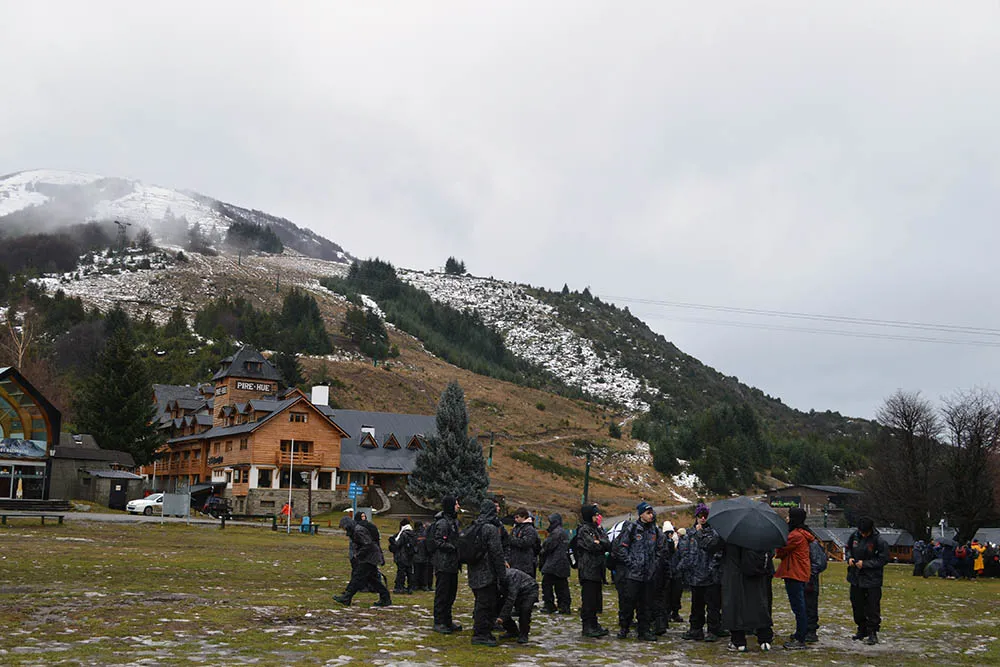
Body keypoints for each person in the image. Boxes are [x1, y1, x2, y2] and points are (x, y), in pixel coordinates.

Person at [611, 501, 665, 641]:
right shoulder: (632, 528)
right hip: (633, 574)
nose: (651, 515)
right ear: (641, 514)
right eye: (648, 513)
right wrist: (631, 563)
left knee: (646, 604)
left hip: (648, 575)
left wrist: (655, 564)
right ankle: (624, 628)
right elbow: (621, 548)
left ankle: (644, 630)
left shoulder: (655, 531)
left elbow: (661, 549)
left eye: (652, 513)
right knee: (628, 602)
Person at [721, 540, 775, 653]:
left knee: (736, 608)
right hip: (757, 577)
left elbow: (711, 547)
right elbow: (771, 553)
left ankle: (738, 642)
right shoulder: (761, 535)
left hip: (735, 577)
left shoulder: (731, 536)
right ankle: (765, 640)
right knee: (760, 606)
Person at [680, 503, 724, 642]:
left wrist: (712, 570)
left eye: (705, 516)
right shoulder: (689, 533)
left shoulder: (714, 532)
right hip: (695, 576)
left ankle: (713, 630)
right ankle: (695, 629)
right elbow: (685, 553)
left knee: (713, 606)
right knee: (696, 606)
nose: (703, 519)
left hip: (711, 577)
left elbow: (717, 552)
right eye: (700, 516)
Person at [468, 497, 508, 647]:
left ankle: (482, 631)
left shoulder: (475, 525)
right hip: (487, 573)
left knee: (481, 604)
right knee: (486, 605)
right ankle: (481, 634)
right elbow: (497, 554)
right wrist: (502, 575)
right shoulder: (490, 528)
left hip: (474, 571)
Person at [846, 516, 889, 645]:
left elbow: (883, 559)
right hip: (855, 577)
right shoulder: (854, 536)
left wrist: (865, 564)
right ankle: (861, 628)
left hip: (872, 579)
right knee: (857, 605)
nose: (863, 534)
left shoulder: (879, 541)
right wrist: (849, 558)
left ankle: (873, 632)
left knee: (872, 607)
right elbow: (848, 549)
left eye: (865, 532)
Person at [775, 507, 814, 650]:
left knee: (798, 606)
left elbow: (780, 550)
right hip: (799, 573)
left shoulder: (795, 536)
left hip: (794, 573)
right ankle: (800, 633)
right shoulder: (802, 534)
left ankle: (800, 638)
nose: (787, 519)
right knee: (800, 605)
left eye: (789, 517)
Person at [333, 516, 391, 607]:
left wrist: (358, 554)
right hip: (370, 556)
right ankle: (385, 598)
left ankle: (347, 597)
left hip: (370, 557)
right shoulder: (356, 530)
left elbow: (367, 544)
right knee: (372, 579)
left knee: (358, 576)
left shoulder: (358, 531)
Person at [575, 503, 612, 638]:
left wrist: (599, 542)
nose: (598, 517)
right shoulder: (584, 530)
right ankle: (587, 626)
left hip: (598, 569)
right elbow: (591, 546)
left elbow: (607, 544)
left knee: (596, 599)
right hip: (588, 569)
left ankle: (594, 624)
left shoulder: (598, 529)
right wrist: (598, 544)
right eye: (595, 514)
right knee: (589, 600)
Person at [427, 495, 462, 634]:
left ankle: (447, 620)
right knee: (442, 593)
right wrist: (453, 547)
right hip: (443, 563)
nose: (458, 506)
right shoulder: (442, 523)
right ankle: (439, 621)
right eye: (456, 504)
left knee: (451, 594)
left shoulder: (453, 521)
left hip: (452, 564)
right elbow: (437, 541)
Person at [497, 564, 540, 644]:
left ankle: (524, 635)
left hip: (529, 591)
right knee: (498, 606)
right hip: (515, 591)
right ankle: (512, 631)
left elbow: (511, 598)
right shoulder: (497, 578)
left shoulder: (512, 576)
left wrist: (502, 617)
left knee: (525, 611)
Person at [539, 513, 572, 614]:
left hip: (553, 563)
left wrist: (542, 552)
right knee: (562, 586)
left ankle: (549, 605)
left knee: (547, 585)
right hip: (562, 563)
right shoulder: (563, 532)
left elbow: (547, 546)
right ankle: (564, 606)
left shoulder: (556, 533)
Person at [652, 520, 677, 635]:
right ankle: (660, 622)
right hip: (661, 572)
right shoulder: (664, 541)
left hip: (662, 572)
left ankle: (661, 623)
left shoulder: (666, 541)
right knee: (660, 599)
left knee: (661, 599)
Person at [804, 532, 827, 643]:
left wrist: (810, 574)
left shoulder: (812, 544)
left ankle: (811, 631)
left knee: (810, 605)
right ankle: (805, 629)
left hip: (810, 579)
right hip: (805, 577)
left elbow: (819, 563)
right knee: (804, 605)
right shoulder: (812, 542)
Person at [508, 507, 541, 578]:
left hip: (525, 563)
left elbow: (526, 543)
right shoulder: (516, 528)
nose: (515, 519)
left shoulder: (529, 529)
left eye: (517, 517)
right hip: (515, 561)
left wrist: (511, 540)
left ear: (524, 517)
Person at [389, 518, 416, 594]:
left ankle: (399, 587)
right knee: (409, 572)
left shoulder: (403, 534)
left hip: (402, 556)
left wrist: (392, 541)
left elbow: (397, 544)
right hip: (410, 556)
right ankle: (410, 587)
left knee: (401, 572)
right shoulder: (412, 533)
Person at [669, 527, 686, 623]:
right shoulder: (666, 544)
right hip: (668, 573)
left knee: (676, 594)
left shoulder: (682, 545)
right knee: (667, 594)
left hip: (677, 574)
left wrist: (678, 568)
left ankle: (675, 612)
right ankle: (667, 613)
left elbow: (684, 557)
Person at [412, 520, 432, 591]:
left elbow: (412, 544)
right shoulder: (426, 533)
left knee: (416, 571)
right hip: (425, 555)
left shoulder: (414, 533)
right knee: (424, 571)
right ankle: (424, 585)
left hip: (416, 555)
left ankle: (416, 585)